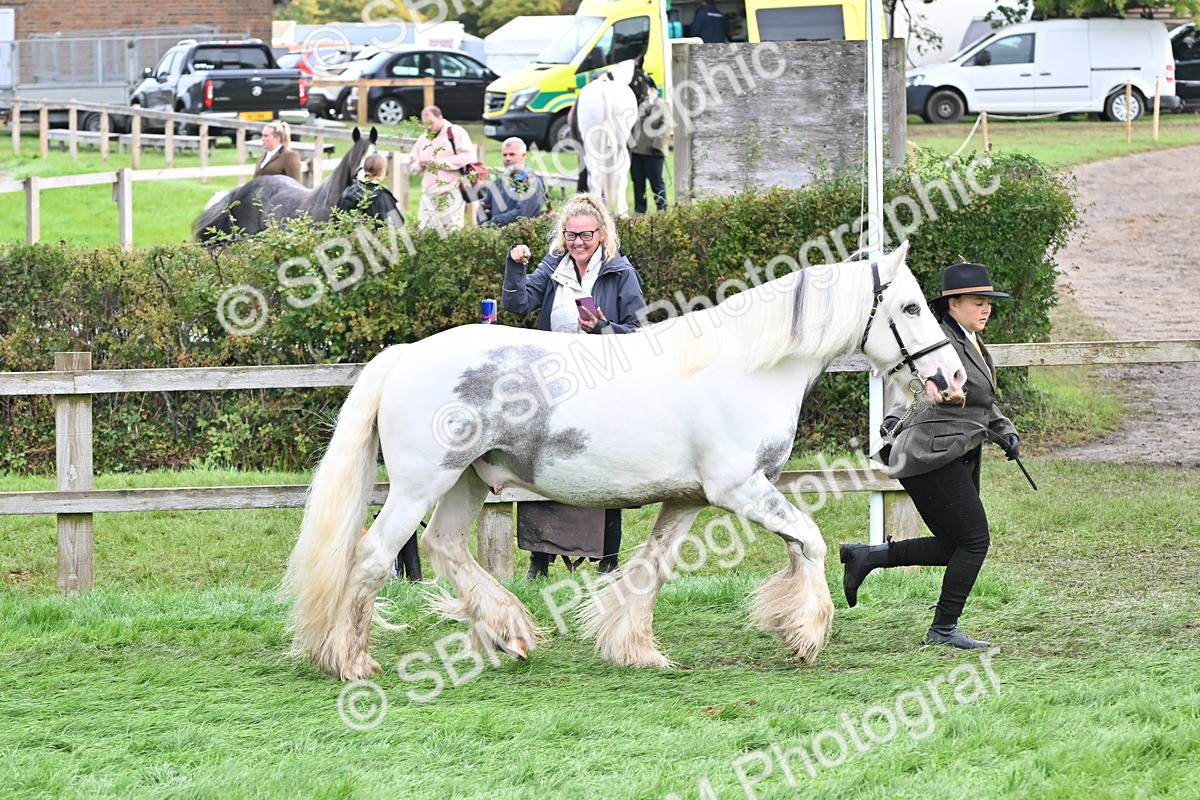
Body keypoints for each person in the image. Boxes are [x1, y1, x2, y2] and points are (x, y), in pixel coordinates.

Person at [840, 262, 1020, 650]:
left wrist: (1004, 429)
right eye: (977, 302)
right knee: (974, 542)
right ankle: (942, 630)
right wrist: (890, 421)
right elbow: (905, 388)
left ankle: (867, 557)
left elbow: (982, 401)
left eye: (988, 301)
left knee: (956, 544)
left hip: (953, 454)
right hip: (927, 455)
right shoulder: (936, 340)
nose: (986, 309)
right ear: (953, 303)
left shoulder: (969, 339)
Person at [503, 193, 648, 578]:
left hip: (603, 384)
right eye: (571, 235)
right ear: (563, 234)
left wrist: (602, 328)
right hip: (554, 383)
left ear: (601, 234)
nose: (578, 243)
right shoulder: (553, 266)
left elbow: (638, 331)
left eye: (586, 235)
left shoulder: (619, 272)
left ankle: (607, 560)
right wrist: (515, 268)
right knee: (543, 465)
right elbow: (519, 305)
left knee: (600, 469)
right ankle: (540, 559)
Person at [408, 105, 474, 233]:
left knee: (451, 232)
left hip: (450, 191)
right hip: (428, 193)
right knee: (423, 231)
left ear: (440, 118)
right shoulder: (423, 138)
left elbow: (467, 156)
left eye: (431, 123)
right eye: (425, 124)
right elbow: (412, 162)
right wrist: (420, 165)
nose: (428, 127)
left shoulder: (455, 132)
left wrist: (439, 163)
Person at [477, 137, 547, 226]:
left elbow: (522, 215)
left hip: (519, 237)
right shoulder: (498, 182)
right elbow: (484, 206)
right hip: (494, 236)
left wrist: (493, 222)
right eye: (505, 155)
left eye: (512, 154)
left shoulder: (533, 183)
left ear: (523, 156)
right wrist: (484, 224)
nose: (507, 158)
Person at [630, 88, 668, 214]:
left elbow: (666, 125)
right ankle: (639, 210)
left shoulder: (664, 104)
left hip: (653, 152)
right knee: (638, 182)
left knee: (656, 183)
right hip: (636, 150)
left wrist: (658, 145)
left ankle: (662, 210)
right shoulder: (638, 103)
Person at [336, 153, 403, 225]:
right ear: (381, 171)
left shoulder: (348, 192)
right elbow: (398, 225)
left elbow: (336, 222)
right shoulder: (383, 197)